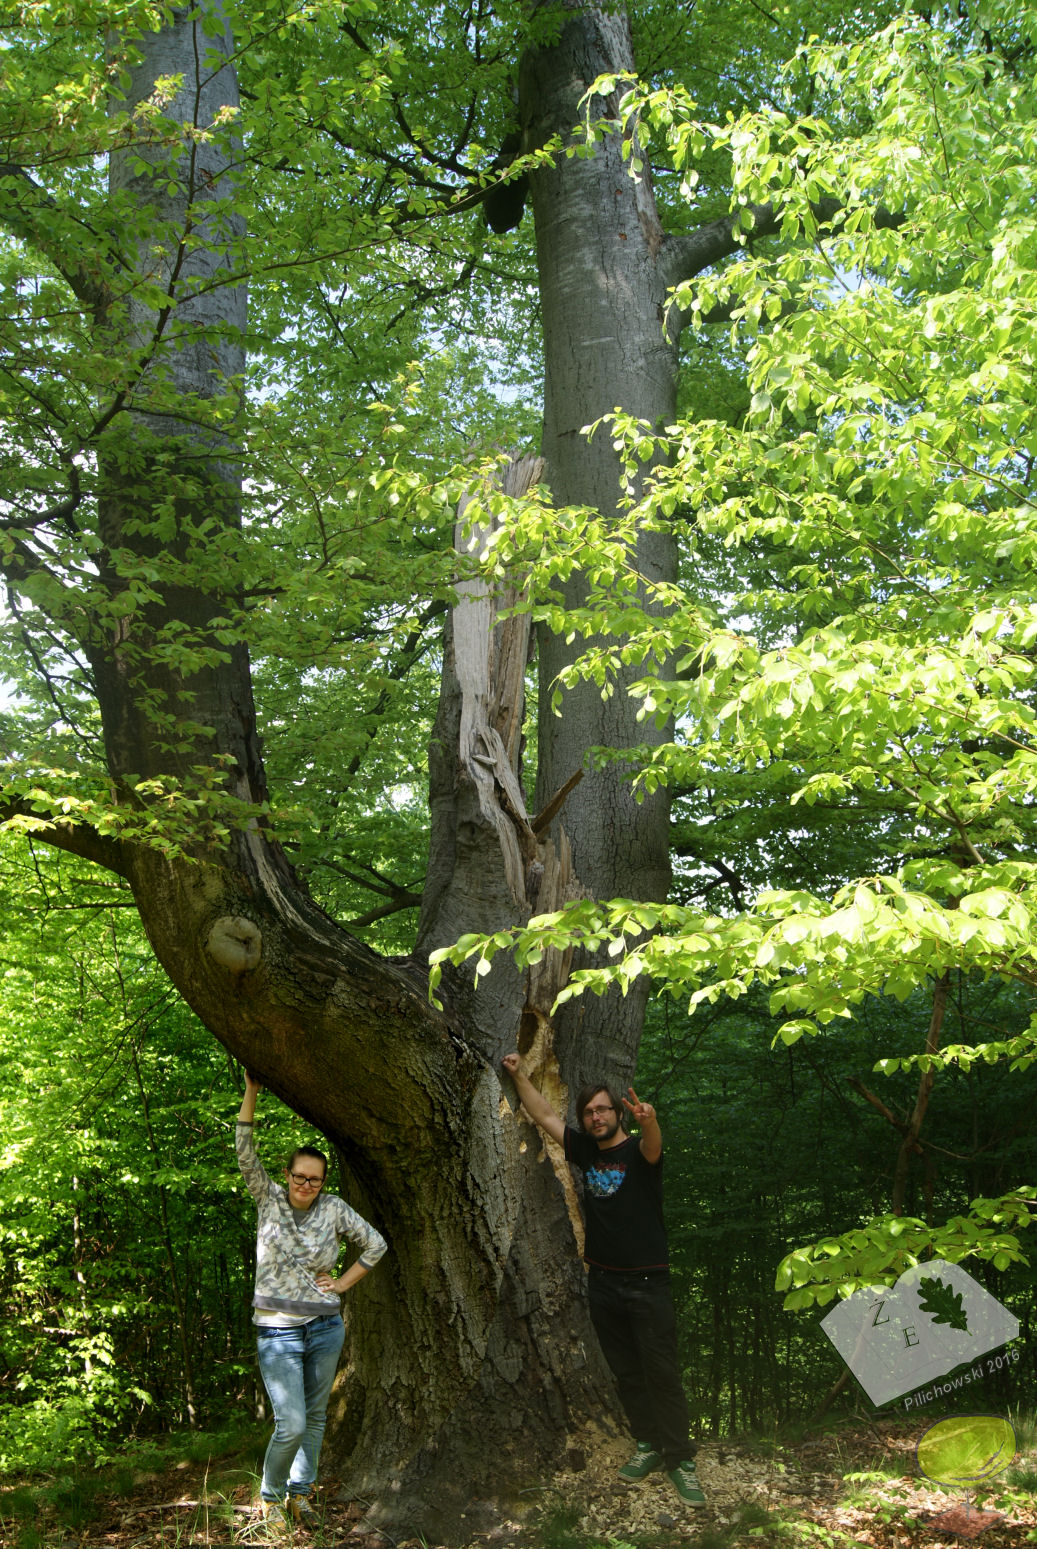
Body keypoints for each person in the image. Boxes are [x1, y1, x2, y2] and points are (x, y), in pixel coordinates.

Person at [500, 1053, 704, 1508]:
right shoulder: (587, 1152)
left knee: (661, 1372)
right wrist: (518, 1075)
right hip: (604, 1283)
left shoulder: (640, 1153)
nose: (596, 1117)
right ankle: (649, 1445)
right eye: (589, 1112)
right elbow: (544, 1115)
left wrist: (650, 1121)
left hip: (648, 1283)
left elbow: (653, 1145)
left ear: (618, 1113)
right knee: (627, 1372)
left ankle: (680, 1459)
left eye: (603, 1110)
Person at [237, 1072, 387, 1538]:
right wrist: (251, 1091)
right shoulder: (268, 1198)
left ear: (322, 1182)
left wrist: (341, 1284)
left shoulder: (334, 1208)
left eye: (315, 1179)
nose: (306, 1184)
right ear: (287, 1175)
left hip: (325, 1327)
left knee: (316, 1418)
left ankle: (301, 1496)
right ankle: (270, 1498)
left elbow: (376, 1244)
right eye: (299, 1176)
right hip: (277, 1330)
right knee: (292, 1423)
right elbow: (244, 1151)